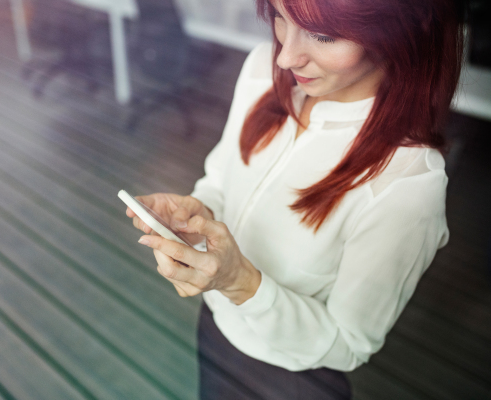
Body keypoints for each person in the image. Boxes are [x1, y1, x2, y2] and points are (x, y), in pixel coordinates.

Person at [125, 0, 464, 398]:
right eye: (280, 18)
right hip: (214, 326)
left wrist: (239, 282)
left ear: (399, 32)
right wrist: (198, 211)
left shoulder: (407, 183)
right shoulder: (260, 70)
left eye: (322, 35)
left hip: (291, 379)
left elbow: (348, 344)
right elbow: (220, 177)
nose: (286, 56)